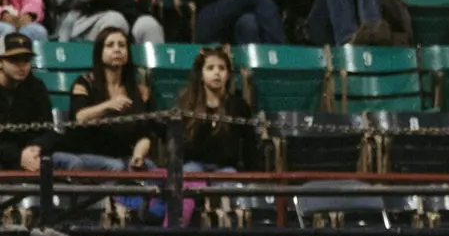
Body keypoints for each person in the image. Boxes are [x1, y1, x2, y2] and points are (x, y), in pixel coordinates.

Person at [57, 23, 157, 174]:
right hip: (89, 155)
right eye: (110, 45)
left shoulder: (138, 90)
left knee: (153, 170)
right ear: (100, 52)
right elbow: (79, 117)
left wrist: (138, 155)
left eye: (122, 45)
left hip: (125, 156)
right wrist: (109, 105)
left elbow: (145, 134)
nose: (117, 49)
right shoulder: (84, 83)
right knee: (116, 167)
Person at [171, 45, 260, 172]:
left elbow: (249, 146)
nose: (216, 73)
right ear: (201, 74)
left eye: (222, 68)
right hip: (193, 165)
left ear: (228, 74)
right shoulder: (186, 103)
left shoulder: (238, 106)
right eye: (210, 68)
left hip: (226, 168)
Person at [2, 32, 54, 171]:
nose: (21, 66)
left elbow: (49, 130)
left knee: (71, 162)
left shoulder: (36, 87)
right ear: (0, 62)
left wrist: (37, 146)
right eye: (14, 60)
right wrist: (18, 157)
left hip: (32, 154)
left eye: (26, 60)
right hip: (6, 157)